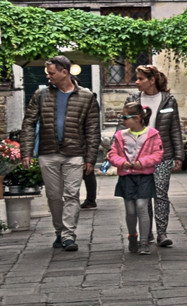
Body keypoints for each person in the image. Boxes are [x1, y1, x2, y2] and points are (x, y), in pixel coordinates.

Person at [20, 56, 102, 251]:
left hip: (75, 152)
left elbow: (92, 129)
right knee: (54, 195)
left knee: (72, 194)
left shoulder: (86, 96)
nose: (48, 76)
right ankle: (59, 231)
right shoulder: (41, 94)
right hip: (48, 152)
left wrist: (90, 157)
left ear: (64, 72)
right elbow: (28, 124)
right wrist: (26, 151)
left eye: (52, 73)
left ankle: (68, 235)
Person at [133, 65, 184, 248]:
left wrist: (179, 155)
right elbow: (123, 125)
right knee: (143, 195)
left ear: (152, 80)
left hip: (163, 154)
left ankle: (162, 232)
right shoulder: (134, 100)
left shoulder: (168, 100)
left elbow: (175, 129)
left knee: (160, 193)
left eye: (140, 78)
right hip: (139, 155)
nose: (137, 82)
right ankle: (146, 233)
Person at [107, 100, 163, 254]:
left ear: (137, 118)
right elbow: (112, 154)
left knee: (141, 207)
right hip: (127, 177)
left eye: (125, 118)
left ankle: (144, 241)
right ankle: (132, 234)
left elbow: (158, 154)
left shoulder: (152, 135)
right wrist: (122, 163)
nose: (123, 121)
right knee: (130, 210)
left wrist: (143, 162)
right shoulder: (120, 136)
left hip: (144, 176)